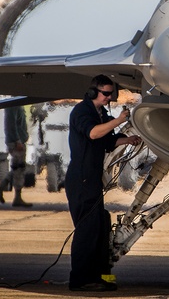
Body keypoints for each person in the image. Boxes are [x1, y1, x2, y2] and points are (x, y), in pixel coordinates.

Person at [66, 75, 141, 292]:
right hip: (81, 179)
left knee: (100, 225)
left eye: (111, 94)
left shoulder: (101, 114)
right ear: (93, 92)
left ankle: (97, 276)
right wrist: (118, 120)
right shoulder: (82, 112)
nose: (109, 98)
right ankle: (79, 279)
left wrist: (128, 139)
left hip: (92, 180)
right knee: (87, 230)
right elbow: (93, 133)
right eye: (106, 94)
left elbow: (107, 140)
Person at [0, 104, 31, 208]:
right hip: (16, 142)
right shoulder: (13, 105)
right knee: (19, 169)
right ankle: (15, 196)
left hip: (18, 141)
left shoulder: (18, 105)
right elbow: (11, 124)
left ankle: (2, 187)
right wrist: (17, 140)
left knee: (17, 167)